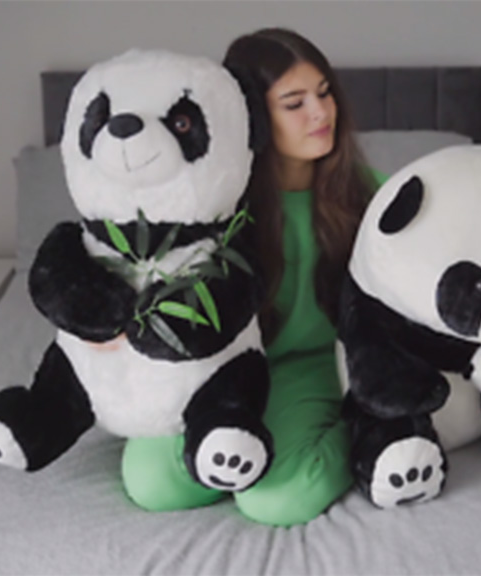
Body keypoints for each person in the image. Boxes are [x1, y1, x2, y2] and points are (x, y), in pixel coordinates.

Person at [121, 27, 384, 526]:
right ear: (254, 115)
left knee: (276, 500)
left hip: (312, 366)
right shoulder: (213, 200)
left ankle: (365, 428)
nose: (321, 113)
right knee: (152, 483)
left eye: (325, 93)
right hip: (225, 369)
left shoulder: (365, 192)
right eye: (295, 102)